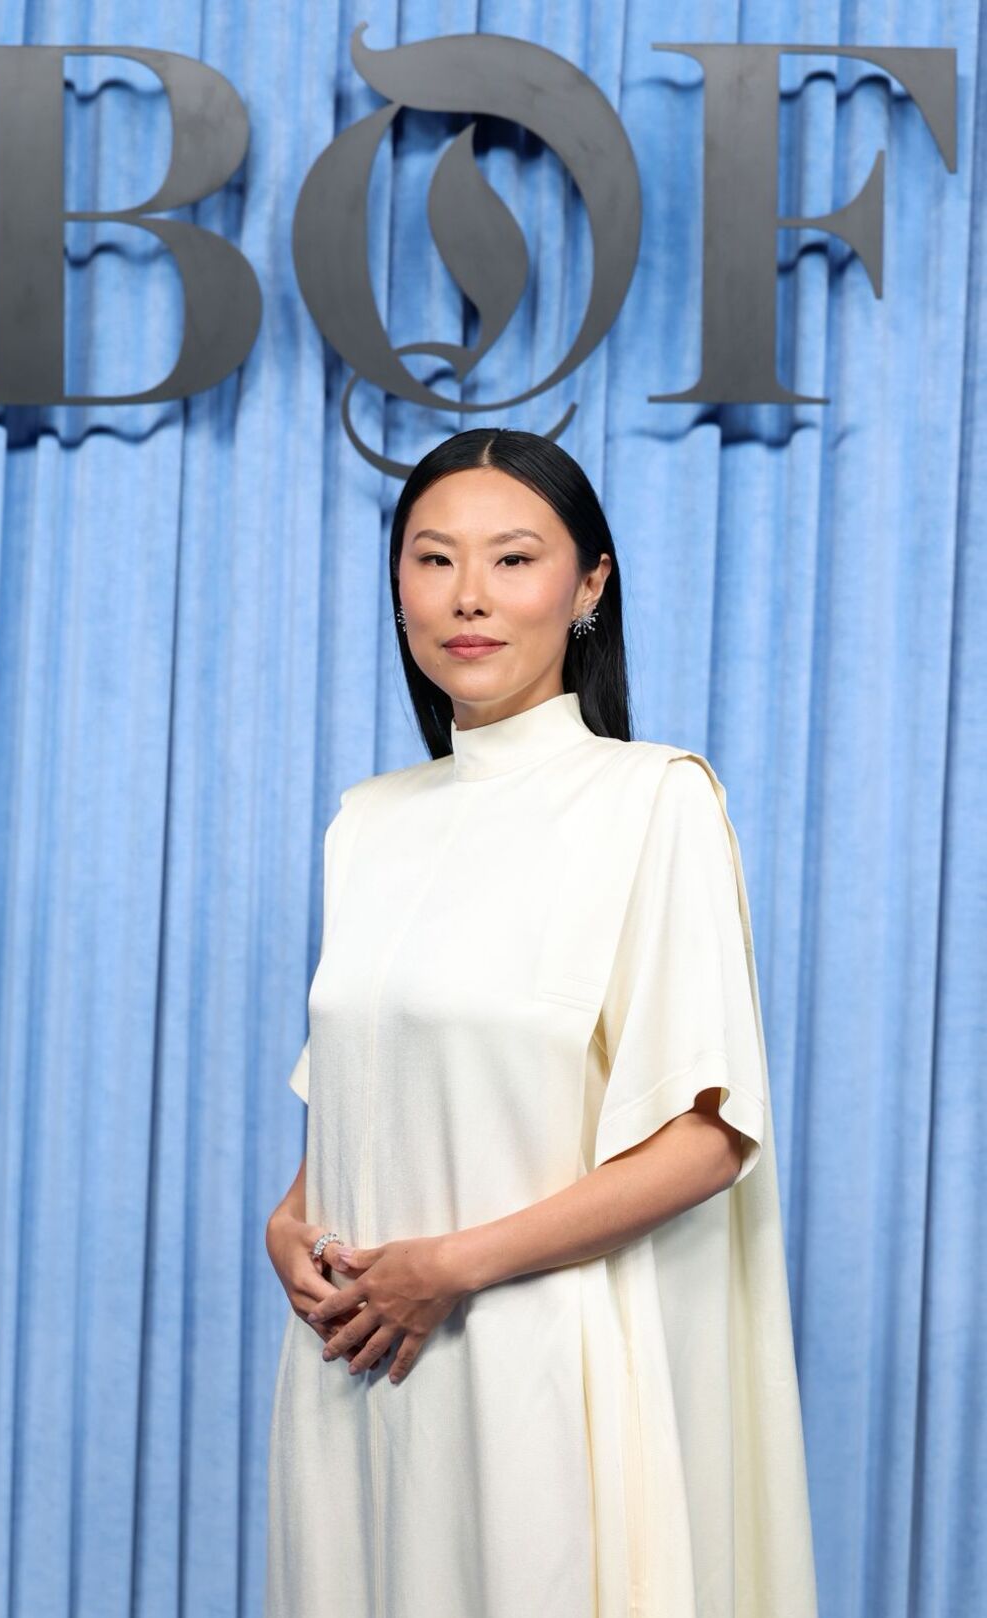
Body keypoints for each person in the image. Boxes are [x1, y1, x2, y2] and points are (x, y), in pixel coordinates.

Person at [264, 428, 818, 1617]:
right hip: (361, 1363)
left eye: (513, 559)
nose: (468, 596)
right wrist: (289, 1223)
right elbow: (372, 1092)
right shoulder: (368, 822)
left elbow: (707, 1137)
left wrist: (450, 1268)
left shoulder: (653, 801)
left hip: (536, 1365)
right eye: (434, 559)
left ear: (589, 586)